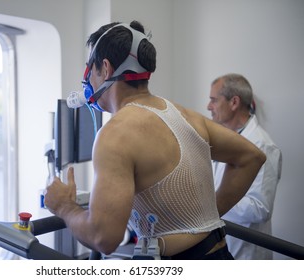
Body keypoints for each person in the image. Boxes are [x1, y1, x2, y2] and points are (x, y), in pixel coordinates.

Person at [44, 21, 266, 260]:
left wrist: (64, 206)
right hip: (220, 254)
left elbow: (104, 238)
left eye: (90, 67)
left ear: (105, 69)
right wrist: (208, 217)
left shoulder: (115, 134)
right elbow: (251, 157)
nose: (87, 78)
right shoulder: (186, 115)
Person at [207, 73, 282, 259]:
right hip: (221, 247)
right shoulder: (223, 139)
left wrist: (208, 201)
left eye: (214, 100)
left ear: (234, 103)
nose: (208, 106)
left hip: (246, 255)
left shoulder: (263, 146)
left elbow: (259, 209)